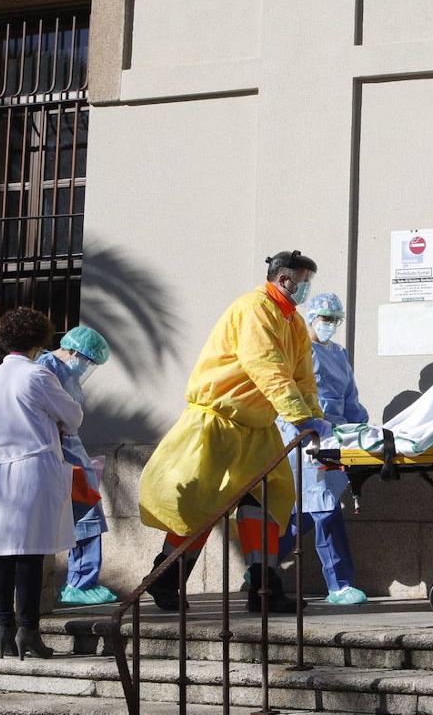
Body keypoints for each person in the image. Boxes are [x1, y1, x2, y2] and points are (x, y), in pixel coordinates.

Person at [138, 250, 331, 613]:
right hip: (216, 422)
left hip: (257, 427)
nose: (306, 290)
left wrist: (313, 417)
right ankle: (164, 578)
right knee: (197, 507)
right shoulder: (254, 309)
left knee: (269, 500)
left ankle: (264, 589)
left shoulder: (293, 323)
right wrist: (299, 416)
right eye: (304, 282)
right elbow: (267, 367)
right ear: (284, 279)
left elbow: (303, 377)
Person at [0, 307, 83, 660]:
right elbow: (73, 416)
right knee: (30, 552)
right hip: (34, 467)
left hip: (3, 468)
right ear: (40, 339)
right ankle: (29, 629)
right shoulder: (37, 375)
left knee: (4, 553)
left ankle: (3, 626)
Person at [273, 292, 370, 605]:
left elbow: (350, 400)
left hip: (334, 439)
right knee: (324, 509)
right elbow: (287, 395)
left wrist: (360, 429)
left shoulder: (339, 354)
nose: (330, 325)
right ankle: (339, 584)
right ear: (312, 317)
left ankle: (262, 567)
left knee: (302, 514)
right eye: (325, 319)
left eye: (335, 320)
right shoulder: (300, 351)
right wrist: (298, 430)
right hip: (306, 440)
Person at [35, 325, 118, 606]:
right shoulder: (48, 367)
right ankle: (80, 583)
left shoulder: (63, 372)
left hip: (71, 454)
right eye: (87, 360)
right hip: (64, 456)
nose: (87, 367)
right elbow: (61, 416)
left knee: (86, 516)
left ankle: (82, 581)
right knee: (86, 517)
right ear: (72, 351)